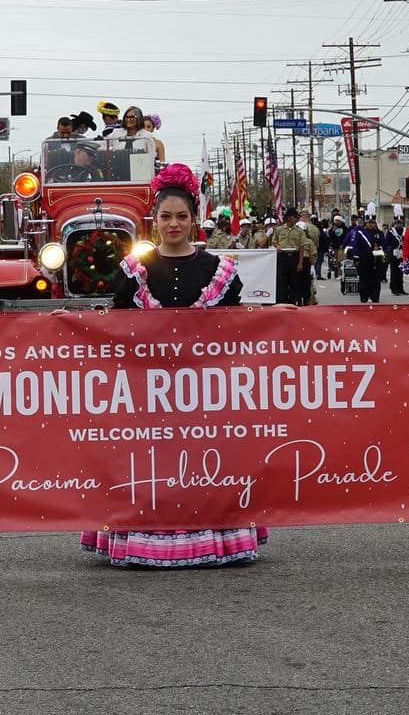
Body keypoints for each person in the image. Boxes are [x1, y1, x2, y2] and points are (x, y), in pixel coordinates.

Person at [85, 163, 263, 568]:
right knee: (150, 458)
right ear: (154, 220)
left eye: (182, 216)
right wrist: (70, 324)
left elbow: (240, 326)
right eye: (165, 216)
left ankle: (214, 537)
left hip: (203, 388)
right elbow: (114, 328)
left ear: (194, 219)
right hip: (147, 389)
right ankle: (143, 537)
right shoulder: (134, 271)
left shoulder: (219, 271)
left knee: (204, 457)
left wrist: (281, 317)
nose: (173, 224)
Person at [272, 207, 313, 306]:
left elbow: (302, 246)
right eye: (295, 217)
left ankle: (293, 302)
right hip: (283, 258)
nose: (297, 219)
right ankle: (283, 302)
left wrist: (300, 263)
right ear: (289, 218)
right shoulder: (279, 229)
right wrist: (278, 247)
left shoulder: (299, 231)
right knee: (283, 282)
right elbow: (274, 241)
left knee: (295, 282)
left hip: (294, 258)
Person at [347, 215, 385, 303]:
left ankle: (375, 297)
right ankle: (364, 298)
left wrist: (380, 248)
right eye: (369, 223)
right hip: (364, 260)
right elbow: (356, 246)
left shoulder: (379, 233)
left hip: (376, 260)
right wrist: (356, 258)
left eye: (372, 222)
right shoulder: (360, 233)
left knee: (375, 281)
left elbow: (384, 244)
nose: (370, 224)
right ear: (366, 223)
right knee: (364, 280)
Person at [382, 217, 407, 296]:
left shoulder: (404, 231)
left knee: (401, 271)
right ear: (394, 223)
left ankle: (401, 288)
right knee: (394, 271)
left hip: (402, 253)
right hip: (393, 253)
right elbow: (386, 243)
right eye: (397, 223)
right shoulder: (391, 232)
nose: (399, 224)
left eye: (400, 223)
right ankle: (394, 288)